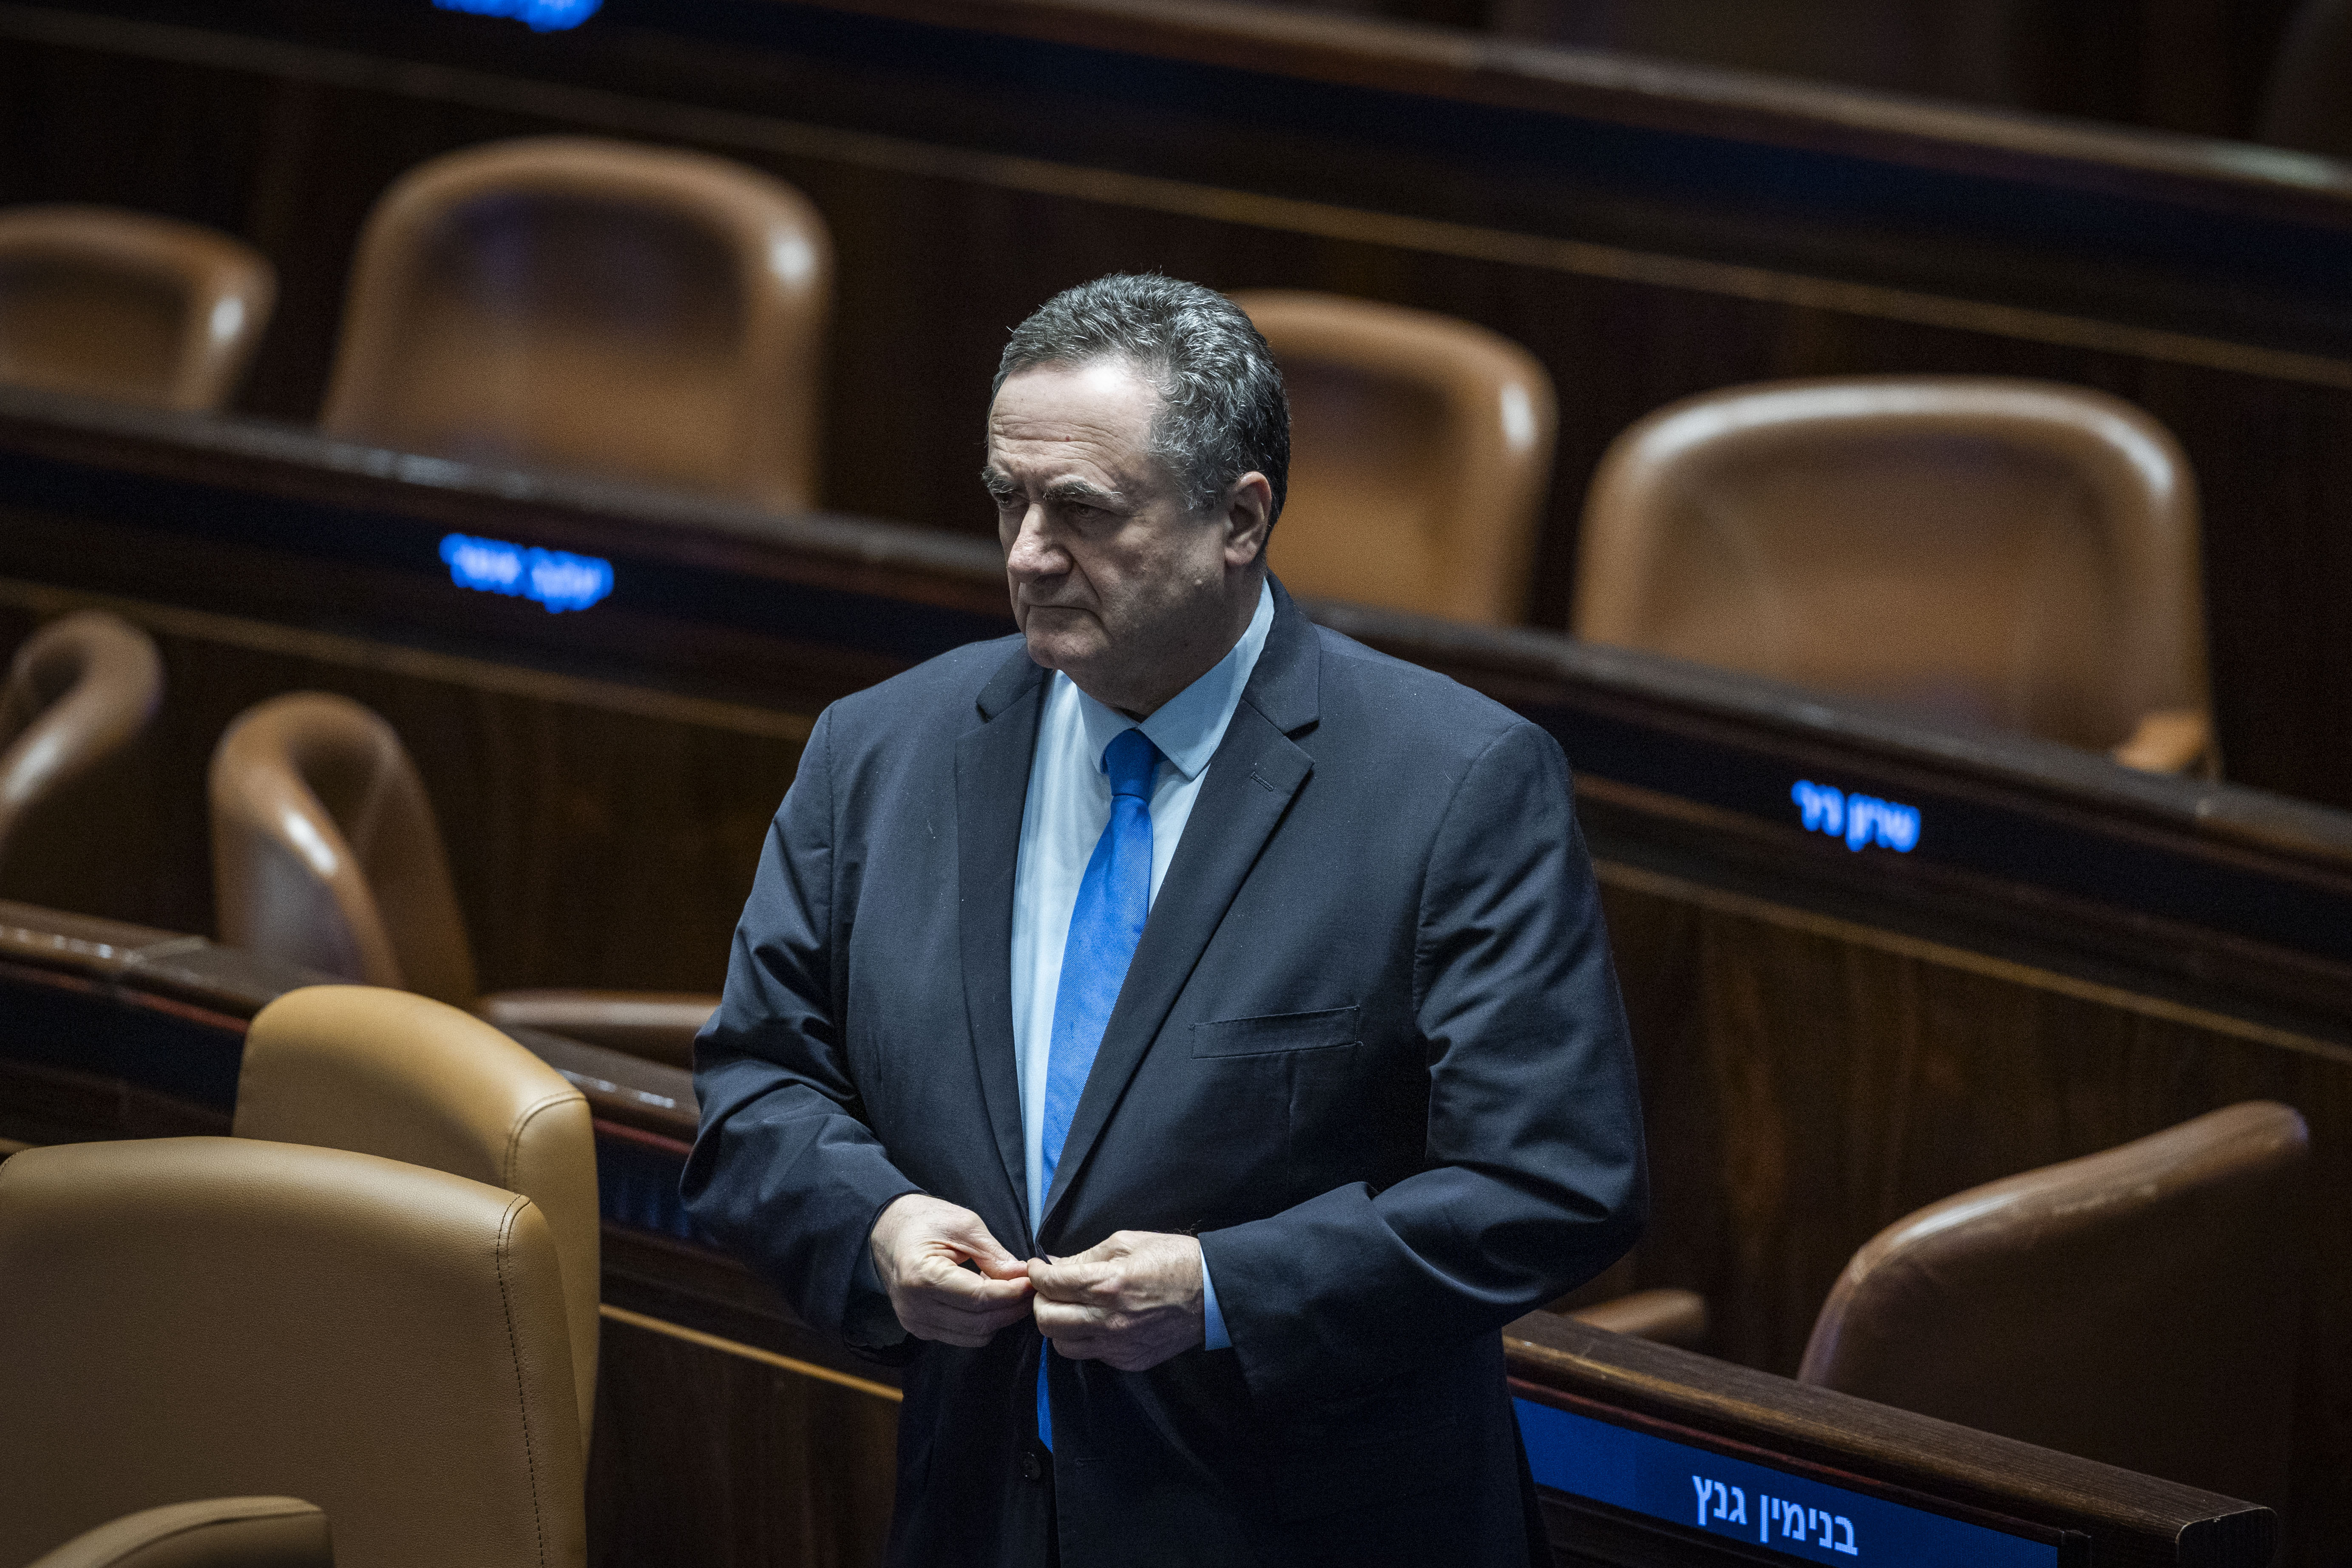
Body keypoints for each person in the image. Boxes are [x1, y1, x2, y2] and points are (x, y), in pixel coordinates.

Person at [682, 273, 1645, 1568]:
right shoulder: (878, 751)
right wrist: (879, 1225)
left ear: (1239, 519)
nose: (1027, 552)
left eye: (1081, 509)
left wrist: (1224, 1291)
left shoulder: (1454, 784)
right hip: (978, 1517)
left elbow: (1555, 1179)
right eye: (1008, 499)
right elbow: (757, 1082)